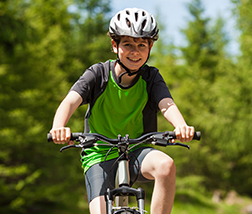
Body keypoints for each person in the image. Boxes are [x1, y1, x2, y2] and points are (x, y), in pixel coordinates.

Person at [50, 8, 195, 214]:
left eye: (141, 45)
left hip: (136, 152)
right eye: (127, 44)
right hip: (98, 155)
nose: (135, 51)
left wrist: (180, 126)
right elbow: (70, 102)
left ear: (150, 46)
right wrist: (59, 127)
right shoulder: (98, 74)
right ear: (114, 45)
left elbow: (166, 104)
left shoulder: (151, 77)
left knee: (166, 165)